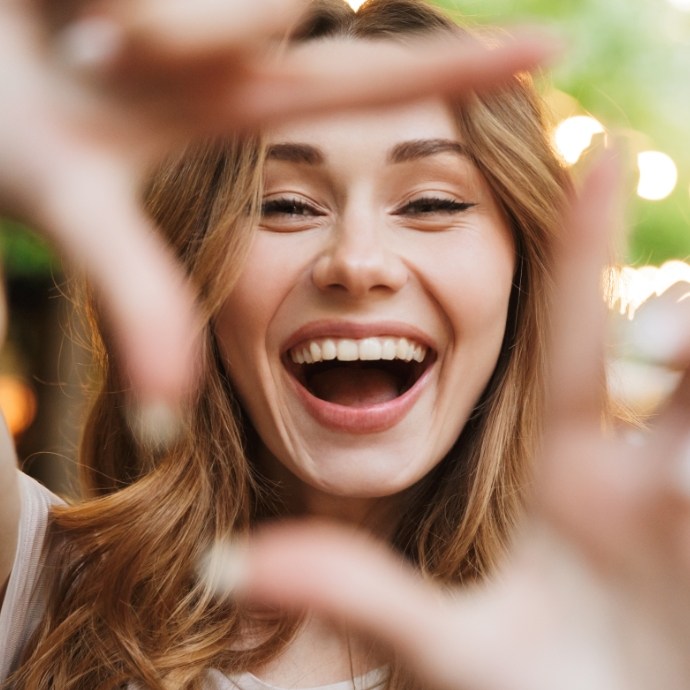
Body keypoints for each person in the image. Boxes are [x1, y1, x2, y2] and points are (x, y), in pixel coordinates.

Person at [1, 1, 688, 690]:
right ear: (195, 266)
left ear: (522, 274)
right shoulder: (39, 586)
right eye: (285, 205)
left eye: (432, 204)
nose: (357, 263)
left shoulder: (641, 622)